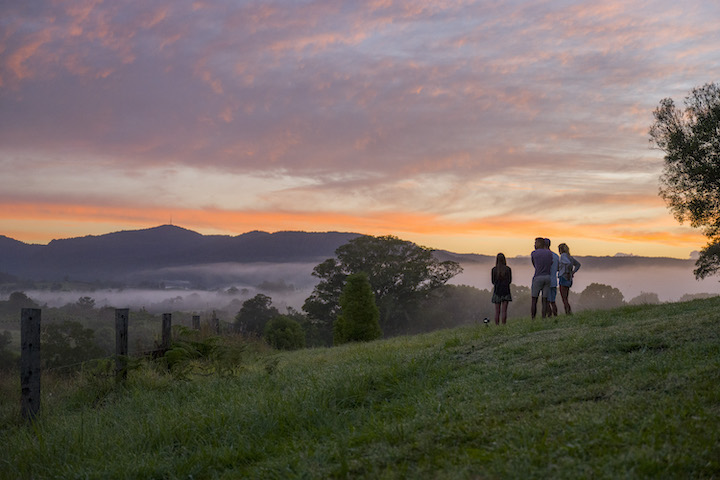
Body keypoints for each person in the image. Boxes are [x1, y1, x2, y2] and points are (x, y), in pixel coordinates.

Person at [530, 237, 554, 319]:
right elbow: (551, 263)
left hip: (538, 276)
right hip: (547, 277)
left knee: (534, 299)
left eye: (536, 242)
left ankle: (533, 318)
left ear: (539, 243)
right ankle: (544, 317)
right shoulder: (549, 253)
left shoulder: (534, 253)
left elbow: (534, 264)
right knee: (545, 300)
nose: (534, 244)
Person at [558, 243, 581, 314]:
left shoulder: (563, 256)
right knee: (566, 297)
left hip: (563, 277)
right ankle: (568, 312)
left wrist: (567, 272)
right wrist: (573, 272)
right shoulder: (570, 257)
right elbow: (578, 264)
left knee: (564, 298)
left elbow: (567, 263)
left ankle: (568, 312)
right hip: (569, 279)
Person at [491, 253, 512, 325]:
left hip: (497, 291)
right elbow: (509, 281)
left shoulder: (494, 270)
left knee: (497, 311)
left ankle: (497, 325)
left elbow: (493, 281)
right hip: (506, 291)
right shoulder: (508, 269)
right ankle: (503, 325)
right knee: (504, 311)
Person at [544, 238, 559, 317]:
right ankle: (555, 315)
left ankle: (549, 316)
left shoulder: (545, 256)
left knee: (546, 301)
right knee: (553, 301)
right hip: (554, 280)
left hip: (547, 280)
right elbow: (558, 268)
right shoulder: (556, 256)